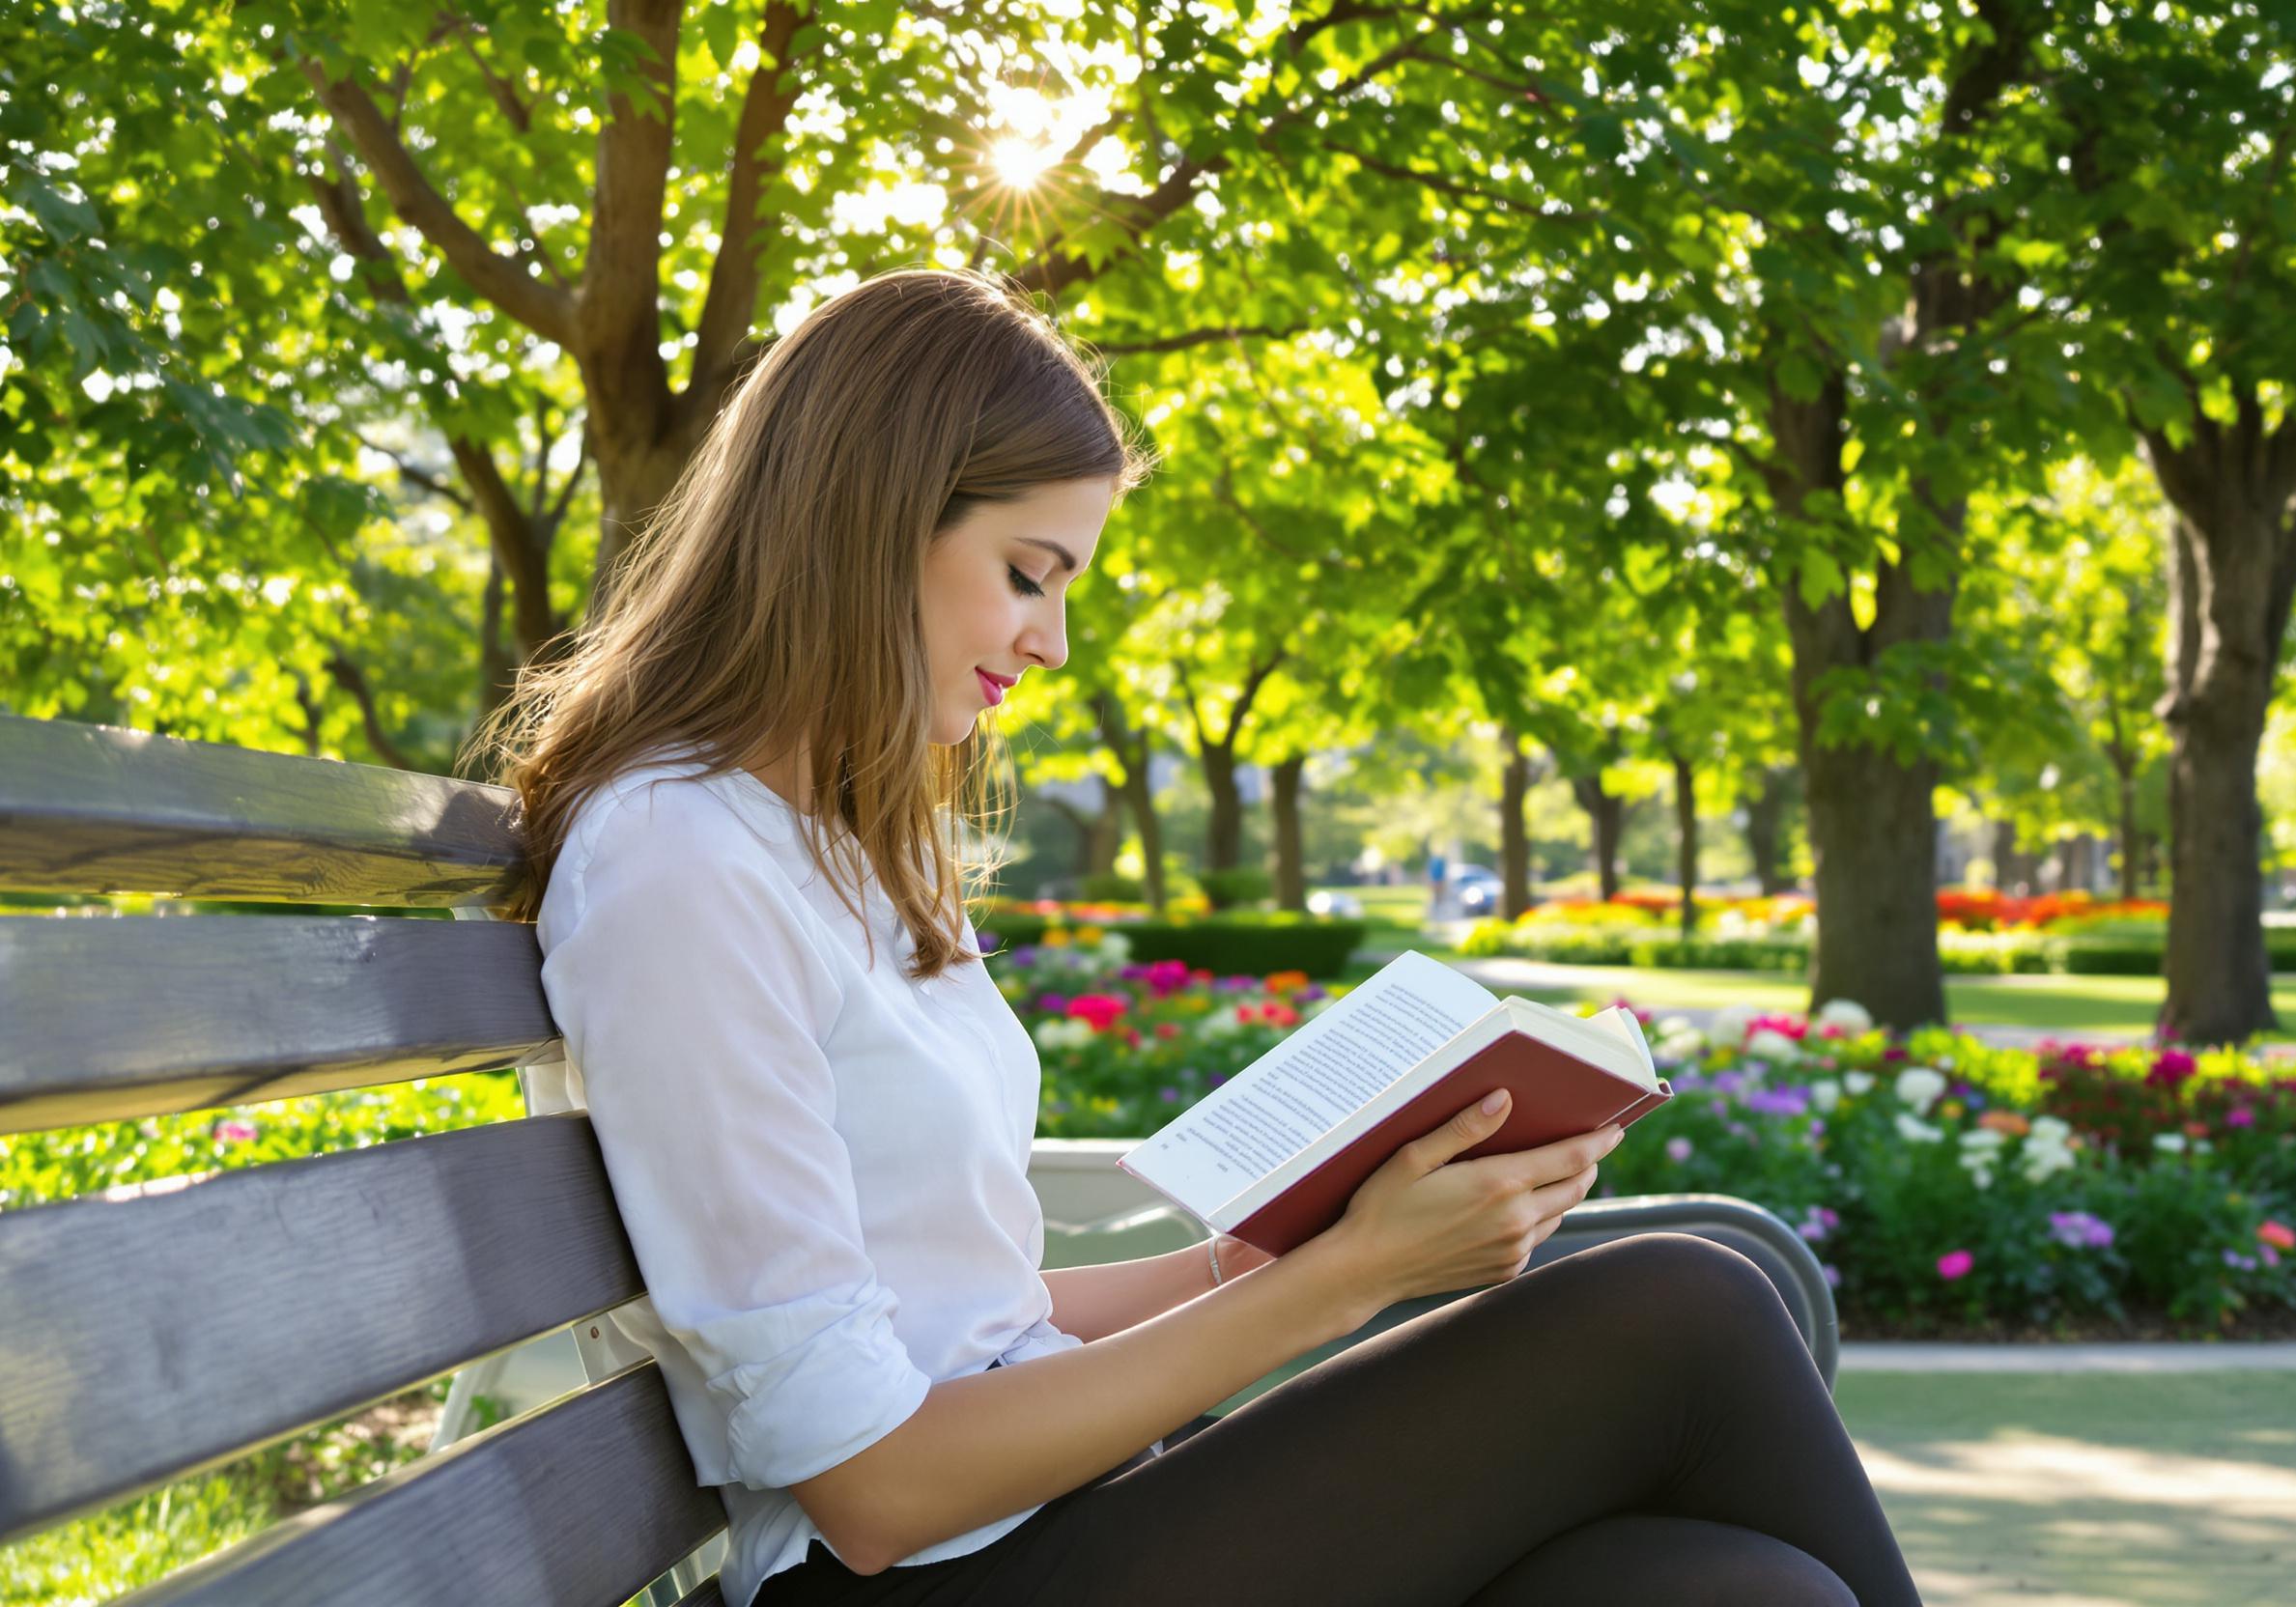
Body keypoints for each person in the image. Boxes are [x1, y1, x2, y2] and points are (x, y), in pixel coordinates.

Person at [466, 268, 1921, 1607]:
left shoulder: (821, 847)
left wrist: (1309, 1238)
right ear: (868, 517)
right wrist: (1342, 1283)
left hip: (1065, 1521)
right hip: (923, 1576)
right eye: (1028, 571)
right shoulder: (682, 863)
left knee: (1731, 1592)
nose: (1049, 642)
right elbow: (876, 1487)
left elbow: (957, 1309)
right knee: (1693, 1307)